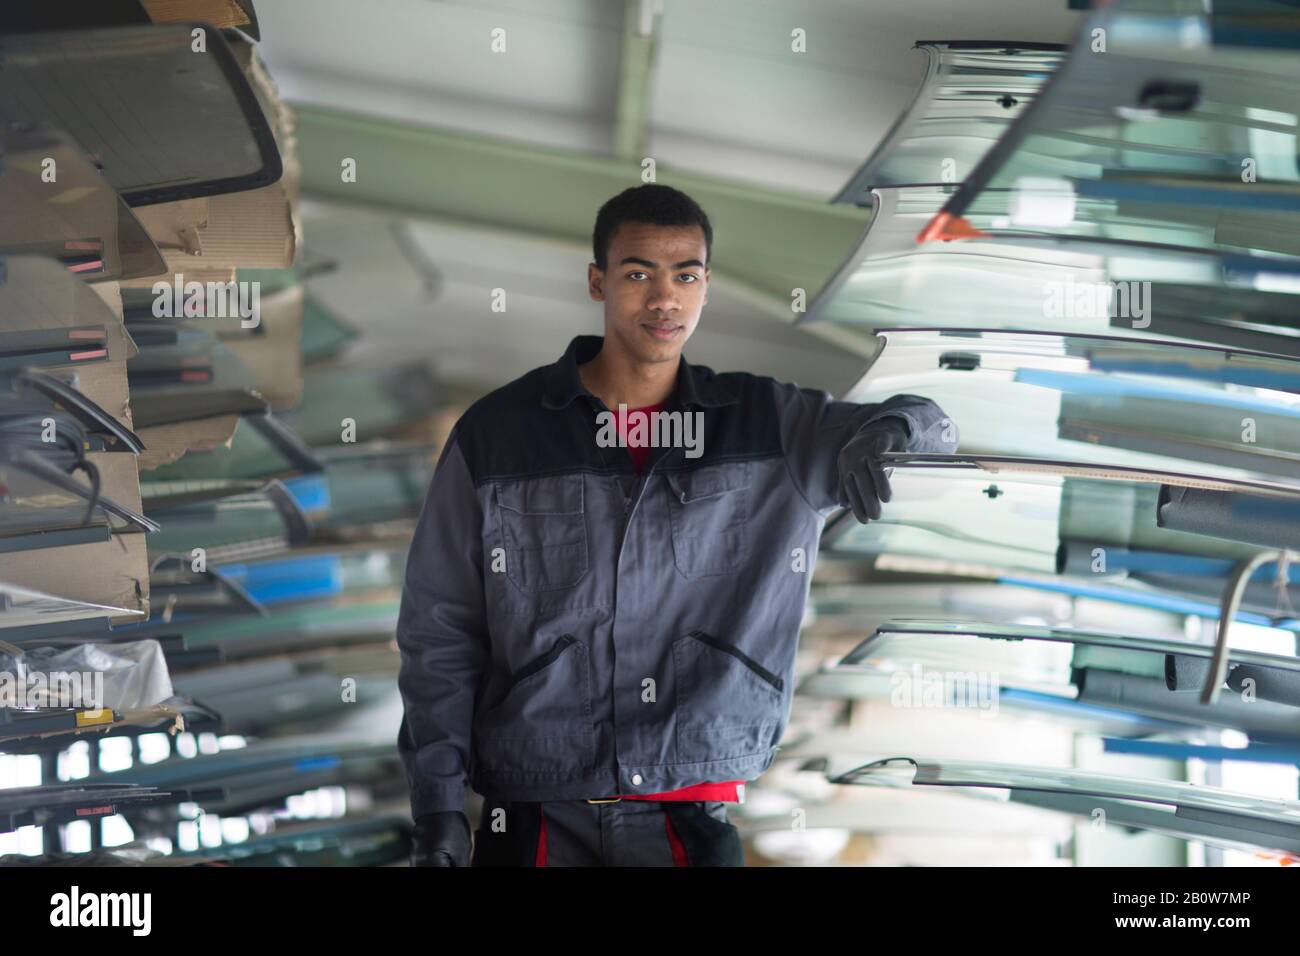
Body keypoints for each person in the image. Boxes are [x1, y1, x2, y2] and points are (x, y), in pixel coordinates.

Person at [399, 183, 957, 866]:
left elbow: (932, 419)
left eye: (685, 275)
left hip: (687, 812)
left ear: (705, 285)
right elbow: (440, 630)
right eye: (638, 274)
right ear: (598, 282)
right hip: (533, 814)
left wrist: (892, 433)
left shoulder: (766, 425)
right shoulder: (498, 435)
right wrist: (438, 806)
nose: (664, 299)